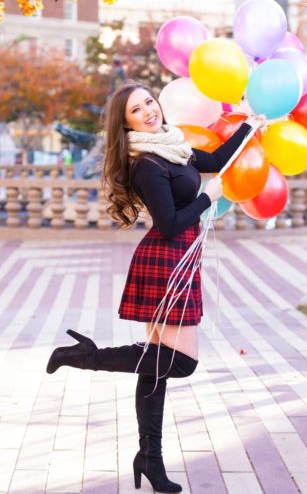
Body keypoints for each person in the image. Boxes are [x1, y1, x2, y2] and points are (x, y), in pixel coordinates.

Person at [45, 81, 259, 493]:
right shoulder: (146, 162)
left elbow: (216, 157)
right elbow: (170, 222)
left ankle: (150, 459)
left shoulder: (172, 143)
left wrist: (252, 126)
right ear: (125, 126)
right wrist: (209, 198)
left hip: (179, 259)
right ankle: (85, 357)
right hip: (165, 260)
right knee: (181, 362)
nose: (148, 111)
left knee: (156, 366)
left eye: (149, 102)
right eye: (136, 111)